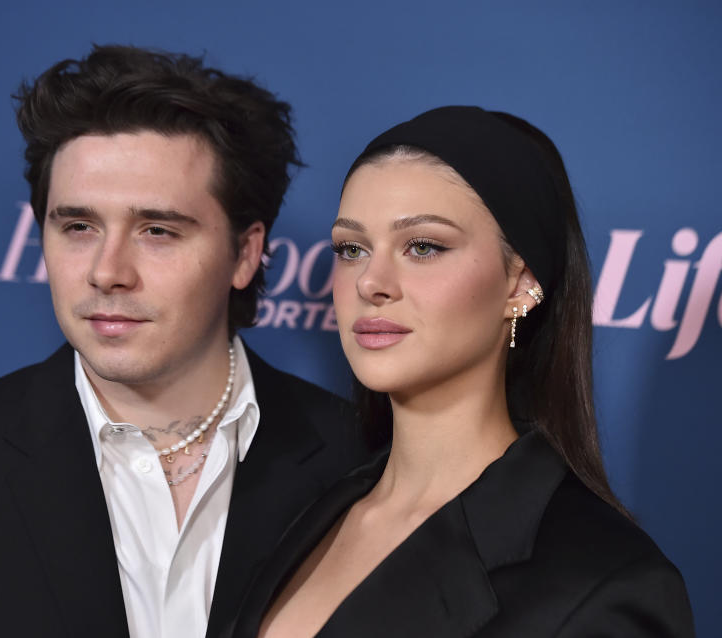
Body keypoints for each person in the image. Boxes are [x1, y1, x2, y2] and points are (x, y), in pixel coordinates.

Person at [0, 46, 372, 638]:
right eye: (78, 226)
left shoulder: (367, 462)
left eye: (157, 230)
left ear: (245, 253)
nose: (107, 271)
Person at [228, 106, 696, 637]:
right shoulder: (307, 509)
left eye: (423, 246)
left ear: (521, 284)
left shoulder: (604, 582)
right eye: (351, 248)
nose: (371, 282)